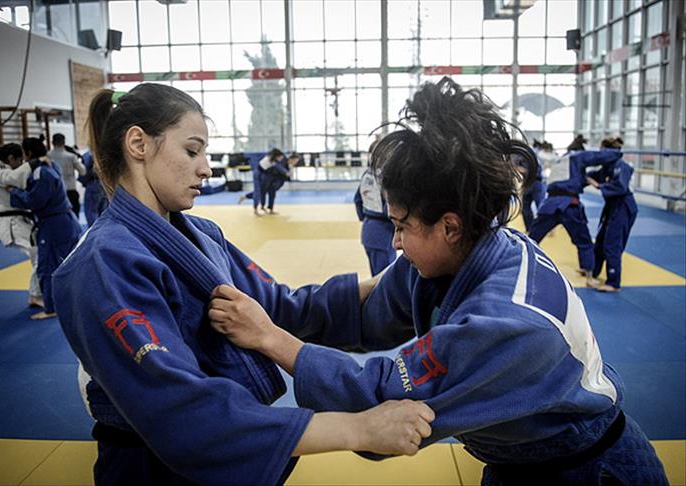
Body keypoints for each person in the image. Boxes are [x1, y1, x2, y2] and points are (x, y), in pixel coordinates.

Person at [209, 77, 667, 485]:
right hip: (512, 459)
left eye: (401, 226)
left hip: (586, 470)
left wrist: (271, 339)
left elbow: (382, 402)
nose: (395, 242)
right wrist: (270, 307)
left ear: (449, 226)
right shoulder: (453, 253)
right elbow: (364, 312)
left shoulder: (510, 322)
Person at [51, 84, 434, 486]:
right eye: (192, 151)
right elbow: (184, 412)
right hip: (152, 468)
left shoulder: (203, 234)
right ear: (138, 144)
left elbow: (280, 308)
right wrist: (357, 428)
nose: (206, 169)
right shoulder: (104, 263)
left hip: (231, 443)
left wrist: (394, 275)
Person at [528, 146, 623, 286]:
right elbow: (599, 156)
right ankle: (589, 277)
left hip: (549, 205)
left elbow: (576, 180)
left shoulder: (559, 161)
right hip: (569, 205)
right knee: (584, 241)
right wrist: (618, 153)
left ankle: (522, 265)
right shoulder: (577, 157)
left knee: (531, 238)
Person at [10, 137, 81, 320]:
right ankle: (74, 300)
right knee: (67, 262)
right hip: (65, 220)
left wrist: (14, 192)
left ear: (28, 153)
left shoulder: (41, 172)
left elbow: (36, 201)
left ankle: (51, 308)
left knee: (47, 266)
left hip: (54, 224)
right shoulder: (51, 165)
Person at [0, 143, 43, 308]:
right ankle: (35, 295)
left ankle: (38, 292)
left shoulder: (2, 169)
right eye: (20, 160)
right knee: (39, 255)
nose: (21, 164)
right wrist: (33, 163)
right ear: (11, 158)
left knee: (40, 254)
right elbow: (11, 178)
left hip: (19, 220)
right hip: (10, 222)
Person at [586, 137, 638, 293]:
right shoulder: (606, 167)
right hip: (612, 206)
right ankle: (594, 271)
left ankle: (614, 282)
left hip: (623, 206)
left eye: (602, 151)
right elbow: (591, 175)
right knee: (600, 240)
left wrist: (599, 185)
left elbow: (621, 188)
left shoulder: (622, 166)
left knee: (612, 243)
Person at [354, 165, 396, 276]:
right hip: (383, 234)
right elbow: (392, 207)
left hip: (368, 228)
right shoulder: (388, 175)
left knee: (377, 276)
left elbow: (357, 200)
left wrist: (365, 217)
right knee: (386, 278)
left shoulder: (367, 174)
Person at [48, 133, 87, 218]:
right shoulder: (71, 156)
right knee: (73, 218)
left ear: (52, 142)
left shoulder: (47, 156)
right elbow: (83, 171)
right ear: (64, 142)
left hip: (54, 193)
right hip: (70, 191)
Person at [514, 141, 547, 232]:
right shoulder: (520, 155)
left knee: (540, 206)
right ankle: (531, 228)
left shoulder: (527, 155)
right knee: (525, 208)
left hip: (535, 182)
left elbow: (529, 170)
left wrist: (515, 168)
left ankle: (544, 227)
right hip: (528, 182)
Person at [77, 150, 108, 227]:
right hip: (104, 185)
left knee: (91, 212)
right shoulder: (106, 152)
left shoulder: (88, 155)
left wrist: (84, 182)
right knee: (103, 212)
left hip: (93, 184)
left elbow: (84, 173)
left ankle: (95, 232)